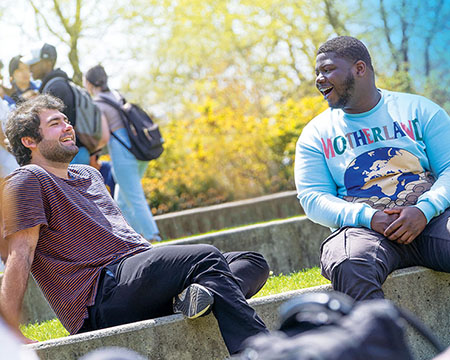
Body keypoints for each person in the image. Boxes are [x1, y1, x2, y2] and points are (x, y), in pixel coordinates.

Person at [0, 94, 269, 355]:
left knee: (253, 261)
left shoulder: (89, 174)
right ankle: (261, 351)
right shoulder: (27, 180)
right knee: (204, 256)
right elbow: (20, 254)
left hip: (137, 275)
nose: (67, 126)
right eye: (54, 123)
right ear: (29, 141)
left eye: (66, 120)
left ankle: (190, 298)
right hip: (99, 294)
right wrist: (10, 330)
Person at [295, 36, 450, 301]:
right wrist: (368, 218)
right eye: (317, 73)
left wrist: (424, 209)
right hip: (363, 233)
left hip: (432, 221)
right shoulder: (315, 134)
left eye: (328, 69)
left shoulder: (419, 109)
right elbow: (313, 198)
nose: (320, 79)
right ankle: (382, 341)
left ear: (359, 68)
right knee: (347, 261)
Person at [83, 64, 160, 242]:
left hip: (123, 152)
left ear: (88, 83)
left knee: (133, 196)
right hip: (139, 149)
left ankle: (153, 236)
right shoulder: (117, 95)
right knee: (122, 201)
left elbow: (103, 136)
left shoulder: (97, 103)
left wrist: (92, 150)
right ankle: (133, 238)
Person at [23, 43, 108, 164]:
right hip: (78, 152)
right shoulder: (61, 84)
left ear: (48, 62)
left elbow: (59, 127)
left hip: (70, 156)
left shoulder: (55, 88)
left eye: (34, 64)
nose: (30, 69)